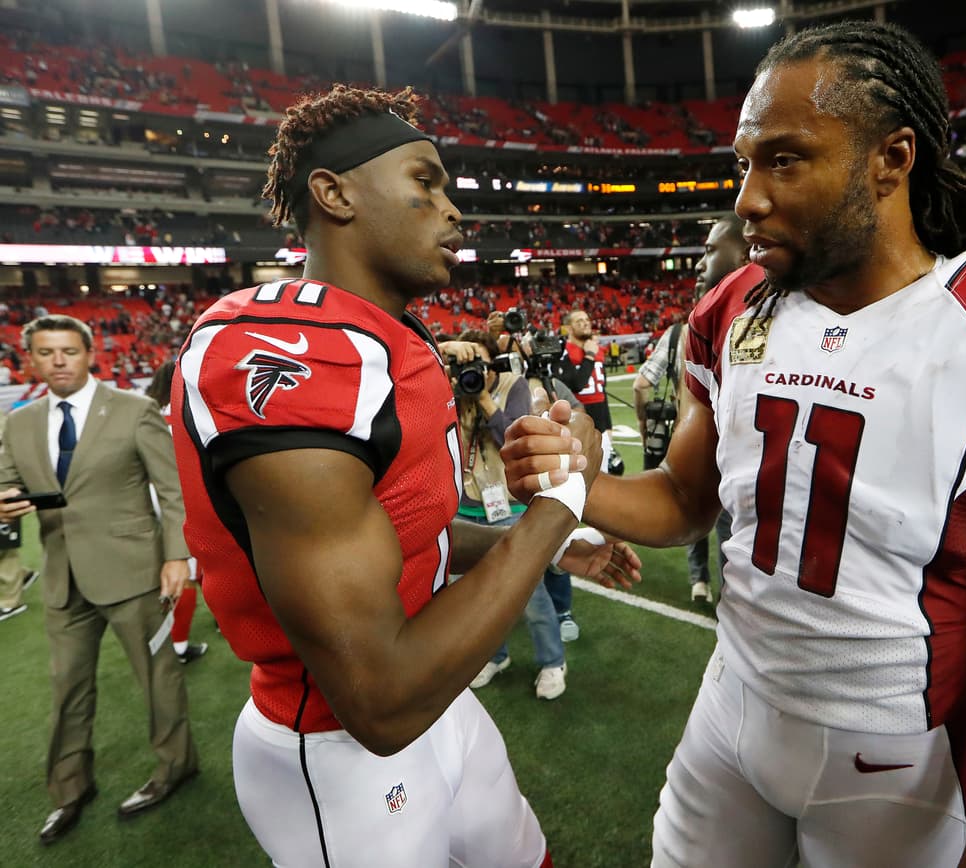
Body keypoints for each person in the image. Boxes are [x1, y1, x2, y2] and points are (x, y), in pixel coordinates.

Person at [507, 22, 966, 866]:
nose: (747, 196)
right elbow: (680, 502)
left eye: (784, 159)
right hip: (728, 711)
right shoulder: (741, 304)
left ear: (892, 157)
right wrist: (583, 482)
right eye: (744, 162)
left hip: (892, 759)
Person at [170, 85, 639, 867]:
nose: (452, 207)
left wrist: (547, 545)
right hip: (337, 753)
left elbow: (404, 531)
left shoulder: (387, 339)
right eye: (424, 181)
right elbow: (378, 701)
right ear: (335, 193)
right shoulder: (284, 349)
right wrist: (562, 503)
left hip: (440, 704)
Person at [0, 314, 198, 845]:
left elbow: (174, 490)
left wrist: (176, 556)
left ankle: (176, 766)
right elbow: (6, 485)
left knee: (158, 680)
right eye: (46, 353)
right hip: (64, 581)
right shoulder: (18, 423)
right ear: (31, 361)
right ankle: (69, 789)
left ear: (90, 354)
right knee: (67, 689)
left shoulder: (133, 411)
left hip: (136, 574)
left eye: (68, 350)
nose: (58, 361)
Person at [445, 329, 568, 701]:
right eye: (466, 364)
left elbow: (512, 442)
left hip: (508, 504)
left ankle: (552, 662)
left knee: (529, 592)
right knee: (478, 596)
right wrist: (444, 350)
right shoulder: (449, 388)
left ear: (492, 362)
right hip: (468, 503)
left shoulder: (514, 385)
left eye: (479, 364)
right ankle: (495, 656)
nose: (473, 371)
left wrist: (483, 398)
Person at [634, 214, 747, 603]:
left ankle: (712, 587)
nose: (700, 263)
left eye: (711, 250)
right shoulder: (694, 330)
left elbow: (642, 385)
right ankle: (714, 587)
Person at [549, 308, 614, 638]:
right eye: (580, 322)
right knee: (583, 487)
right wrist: (587, 357)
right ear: (568, 328)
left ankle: (604, 537)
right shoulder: (569, 351)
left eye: (589, 320)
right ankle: (576, 540)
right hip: (581, 428)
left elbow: (599, 389)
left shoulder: (596, 348)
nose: (586, 325)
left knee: (609, 485)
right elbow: (570, 385)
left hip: (603, 424)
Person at [144, 360, 208, 664]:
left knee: (179, 568)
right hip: (188, 501)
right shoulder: (191, 411)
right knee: (192, 571)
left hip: (150, 502)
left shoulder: (145, 413)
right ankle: (178, 647)